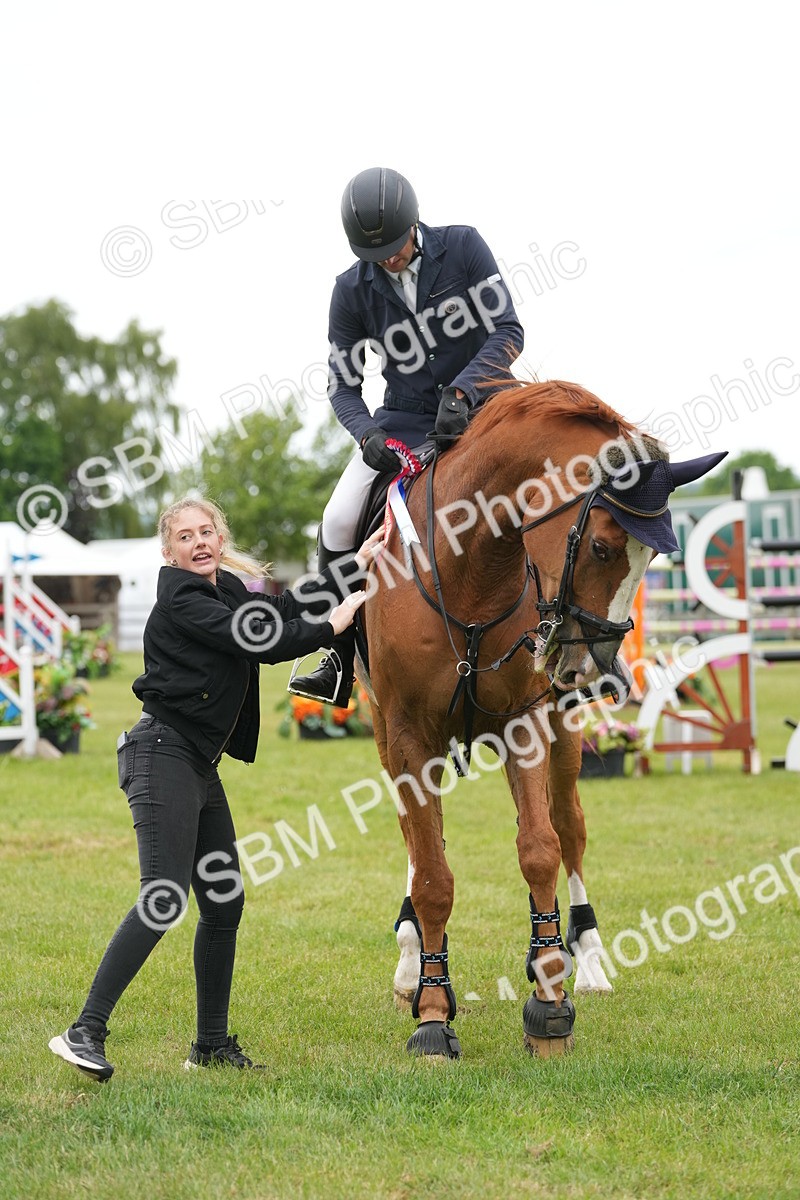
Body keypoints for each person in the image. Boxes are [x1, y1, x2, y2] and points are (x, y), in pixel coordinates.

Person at [48, 497, 383, 1081]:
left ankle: (209, 1046)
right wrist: (334, 624)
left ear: (219, 537)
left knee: (223, 902)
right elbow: (258, 638)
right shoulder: (181, 596)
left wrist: (355, 564)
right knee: (164, 899)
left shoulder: (223, 586)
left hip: (197, 764)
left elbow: (279, 606)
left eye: (207, 532)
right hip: (161, 756)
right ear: (168, 549)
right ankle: (85, 1031)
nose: (199, 543)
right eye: (186, 536)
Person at [289, 166, 524, 707]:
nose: (390, 260)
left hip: (484, 407)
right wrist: (366, 433)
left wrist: (464, 392)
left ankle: (575, 647)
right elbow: (344, 386)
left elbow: (507, 330)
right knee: (338, 517)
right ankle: (339, 655)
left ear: (414, 223)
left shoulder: (463, 247)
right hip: (404, 423)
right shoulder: (350, 290)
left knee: (556, 490)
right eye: (377, 255)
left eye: (395, 247)